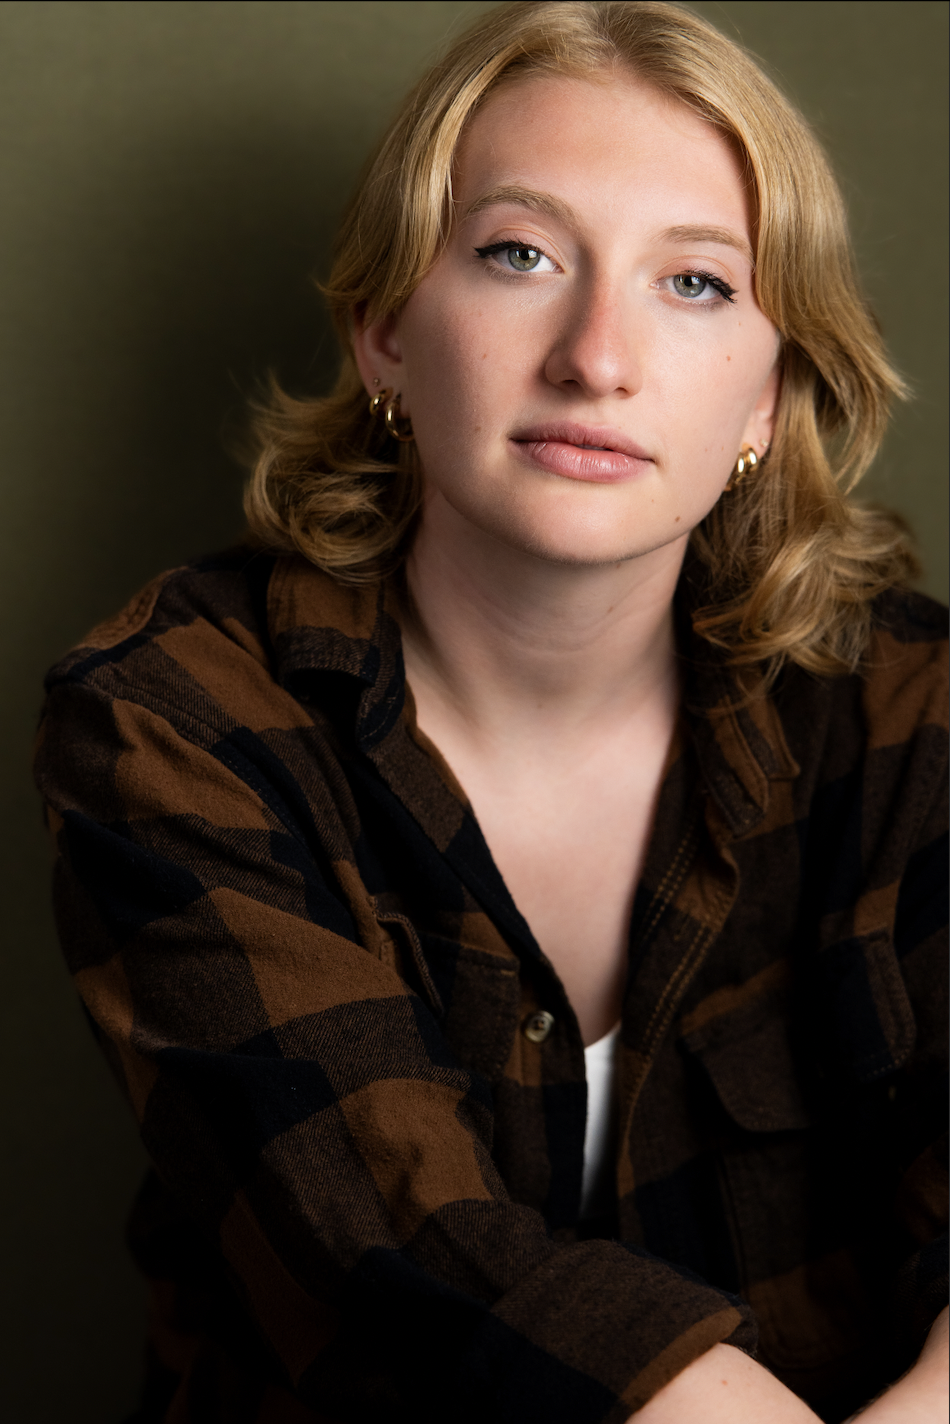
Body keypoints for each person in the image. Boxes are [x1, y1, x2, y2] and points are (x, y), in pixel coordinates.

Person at [33, 3, 947, 1421]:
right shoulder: (170, 716)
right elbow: (392, 1252)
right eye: (518, 255)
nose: (595, 355)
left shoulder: (910, 711)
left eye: (694, 284)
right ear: (387, 330)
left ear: (770, 390)